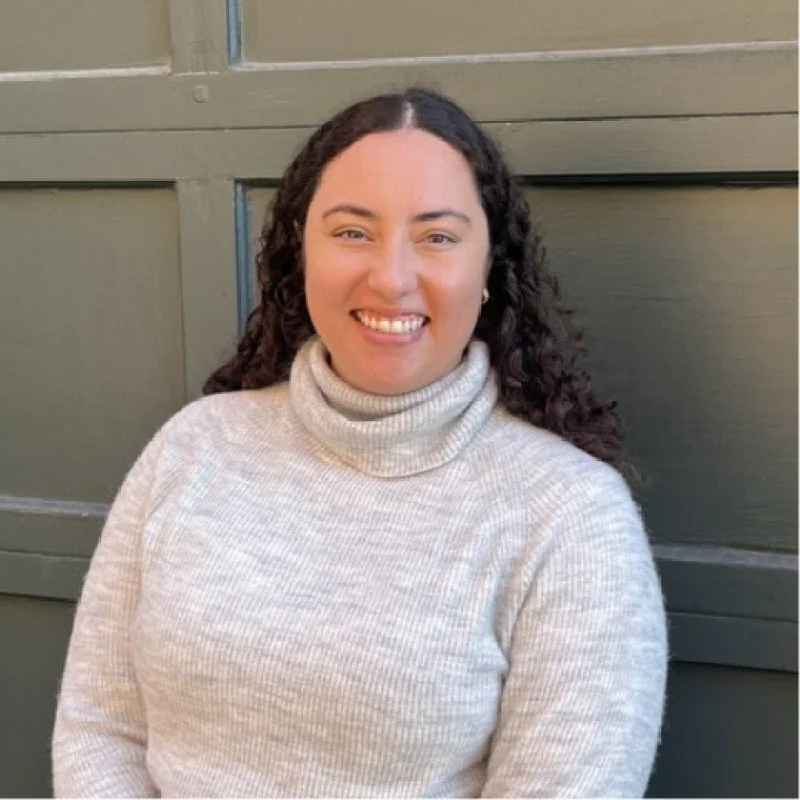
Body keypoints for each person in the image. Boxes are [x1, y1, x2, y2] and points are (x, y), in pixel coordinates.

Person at [52, 87, 668, 798]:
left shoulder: (569, 515)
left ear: (489, 267)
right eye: (352, 232)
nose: (392, 277)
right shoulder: (193, 448)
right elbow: (101, 724)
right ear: (300, 252)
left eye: (437, 237)